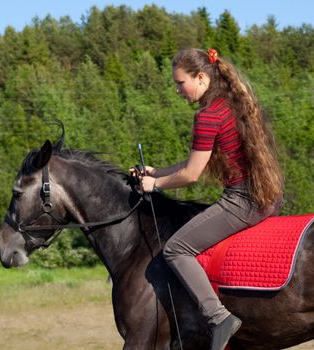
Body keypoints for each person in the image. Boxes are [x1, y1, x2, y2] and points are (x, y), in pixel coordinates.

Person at [132, 48, 284, 350]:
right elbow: (191, 164)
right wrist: (156, 172)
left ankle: (219, 318)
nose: (177, 90)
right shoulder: (230, 105)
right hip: (265, 196)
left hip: (242, 200)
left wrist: (154, 184)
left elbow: (191, 175)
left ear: (201, 77)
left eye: (180, 83)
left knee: (175, 249)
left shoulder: (207, 116)